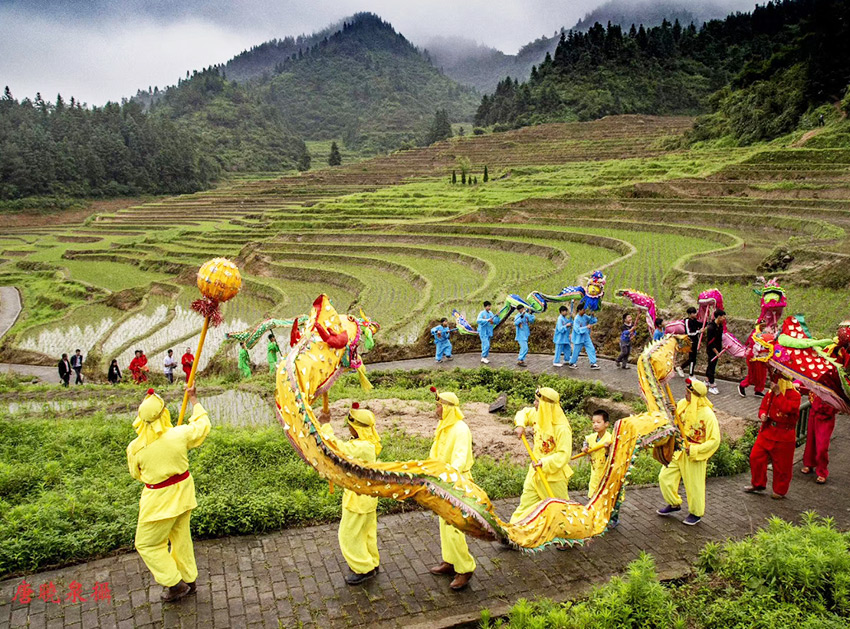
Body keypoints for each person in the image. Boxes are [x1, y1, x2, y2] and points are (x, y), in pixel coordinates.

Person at [127, 385, 210, 602]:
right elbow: (202, 426)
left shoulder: (135, 448)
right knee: (181, 539)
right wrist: (193, 399)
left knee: (146, 544)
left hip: (159, 502)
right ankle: (189, 579)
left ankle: (175, 584)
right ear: (164, 414)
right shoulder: (179, 434)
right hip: (183, 493)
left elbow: (136, 474)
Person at [318, 402, 382, 585]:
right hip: (368, 498)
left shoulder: (362, 447)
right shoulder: (368, 444)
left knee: (348, 534)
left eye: (350, 425)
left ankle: (364, 568)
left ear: (357, 428)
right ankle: (372, 561)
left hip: (358, 500)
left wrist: (325, 424)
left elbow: (335, 448)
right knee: (366, 532)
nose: (348, 428)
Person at [428, 388, 476, 591]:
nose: (437, 409)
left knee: (455, 528)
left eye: (439, 406)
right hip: (442, 482)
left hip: (456, 483)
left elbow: (459, 459)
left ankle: (465, 568)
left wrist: (447, 479)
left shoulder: (460, 429)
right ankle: (450, 561)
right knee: (444, 524)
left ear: (447, 408)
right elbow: (436, 451)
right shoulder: (444, 426)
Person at [657, 378, 720, 525]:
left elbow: (714, 440)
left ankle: (696, 513)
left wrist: (695, 449)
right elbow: (676, 423)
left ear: (694, 395)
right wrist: (672, 413)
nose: (685, 394)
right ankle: (674, 503)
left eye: (687, 392)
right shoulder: (682, 404)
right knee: (664, 477)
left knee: (694, 485)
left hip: (694, 454)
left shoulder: (708, 415)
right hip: (678, 450)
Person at [510, 387, 573, 523]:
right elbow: (523, 413)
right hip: (534, 473)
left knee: (560, 511)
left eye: (537, 401)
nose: (534, 404)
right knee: (525, 505)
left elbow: (564, 454)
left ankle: (568, 538)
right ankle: (514, 532)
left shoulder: (562, 428)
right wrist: (520, 425)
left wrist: (544, 463)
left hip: (553, 478)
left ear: (546, 405)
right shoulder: (537, 415)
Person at [744, 373, 801, 499]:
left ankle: (779, 490)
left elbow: (787, 409)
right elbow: (763, 407)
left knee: (782, 465)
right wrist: (762, 414)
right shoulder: (770, 393)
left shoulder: (795, 395)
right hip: (768, 431)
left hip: (784, 435)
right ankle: (758, 483)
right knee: (756, 457)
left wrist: (778, 394)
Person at [802, 393, 837, 484]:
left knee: (822, 445)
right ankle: (809, 463)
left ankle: (822, 470)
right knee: (810, 441)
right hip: (814, 413)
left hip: (827, 416)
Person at [583, 410, 612, 497]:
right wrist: (585, 447)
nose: (595, 424)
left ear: (606, 424)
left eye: (598, 422)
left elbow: (614, 456)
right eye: (593, 422)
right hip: (595, 473)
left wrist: (608, 448)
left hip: (606, 475)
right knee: (592, 496)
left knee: (603, 498)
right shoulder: (592, 437)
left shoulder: (610, 438)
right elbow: (586, 441)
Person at [738, 325, 769, 398]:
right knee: (753, 375)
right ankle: (742, 385)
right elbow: (753, 346)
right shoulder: (755, 334)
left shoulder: (765, 333)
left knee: (762, 375)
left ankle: (758, 390)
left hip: (763, 357)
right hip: (754, 357)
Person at [567, 304, 599, 370]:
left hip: (586, 336)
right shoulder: (576, 319)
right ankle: (572, 362)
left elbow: (592, 321)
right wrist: (586, 327)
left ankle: (593, 363)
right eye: (583, 310)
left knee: (591, 348)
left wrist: (592, 316)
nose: (584, 311)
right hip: (579, 337)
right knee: (576, 351)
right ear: (579, 310)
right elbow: (577, 329)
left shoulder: (584, 316)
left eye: (585, 310)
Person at [676, 307, 701, 378]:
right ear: (690, 314)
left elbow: (701, 324)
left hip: (695, 341)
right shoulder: (687, 321)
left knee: (693, 358)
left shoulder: (695, 320)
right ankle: (691, 374)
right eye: (694, 313)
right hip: (690, 342)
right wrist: (698, 331)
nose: (696, 314)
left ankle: (682, 368)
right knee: (692, 358)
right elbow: (689, 333)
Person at [704, 310, 725, 395]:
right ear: (719, 316)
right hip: (712, 349)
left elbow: (719, 338)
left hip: (718, 348)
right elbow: (710, 342)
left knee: (712, 364)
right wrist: (716, 352)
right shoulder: (711, 327)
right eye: (723, 317)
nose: (724, 318)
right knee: (712, 365)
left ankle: (707, 379)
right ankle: (712, 384)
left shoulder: (720, 326)